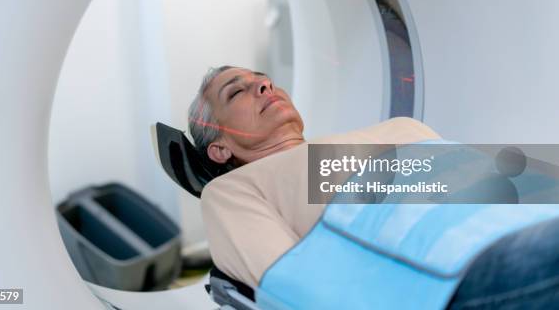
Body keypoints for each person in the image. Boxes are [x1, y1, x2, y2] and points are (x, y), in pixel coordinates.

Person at [190, 65, 559, 308]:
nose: (264, 84)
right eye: (236, 92)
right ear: (220, 148)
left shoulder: (403, 126)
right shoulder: (233, 189)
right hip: (460, 266)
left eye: (262, 78)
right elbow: (295, 288)